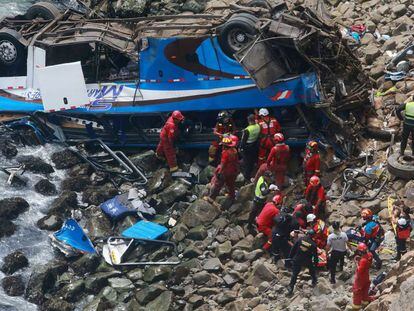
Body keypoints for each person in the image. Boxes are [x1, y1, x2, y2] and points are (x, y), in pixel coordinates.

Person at [207, 135, 240, 204]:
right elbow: (237, 162)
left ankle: (211, 198)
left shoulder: (225, 153)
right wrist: (237, 170)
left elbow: (223, 164)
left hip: (225, 172)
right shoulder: (234, 151)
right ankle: (232, 196)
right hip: (233, 171)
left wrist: (219, 172)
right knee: (231, 185)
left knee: (217, 185)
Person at [286, 229, 318, 295]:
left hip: (297, 259)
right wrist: (316, 264)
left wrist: (289, 257)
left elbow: (293, 249)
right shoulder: (313, 244)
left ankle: (291, 287)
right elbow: (315, 256)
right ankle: (314, 281)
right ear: (313, 236)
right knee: (312, 270)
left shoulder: (300, 239)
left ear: (307, 233)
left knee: (294, 274)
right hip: (307, 261)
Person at [352, 243, 375, 310]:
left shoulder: (363, 261)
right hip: (366, 276)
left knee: (357, 291)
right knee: (365, 289)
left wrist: (357, 263)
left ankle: (356, 306)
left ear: (360, 251)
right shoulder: (370, 255)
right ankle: (365, 301)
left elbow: (359, 270)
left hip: (360, 277)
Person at [240, 114, 260, 180]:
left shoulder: (247, 130)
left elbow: (243, 142)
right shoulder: (258, 126)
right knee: (252, 161)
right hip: (254, 146)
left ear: (248, 121)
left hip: (247, 148)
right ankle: (253, 174)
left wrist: (240, 148)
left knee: (247, 164)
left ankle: (247, 178)